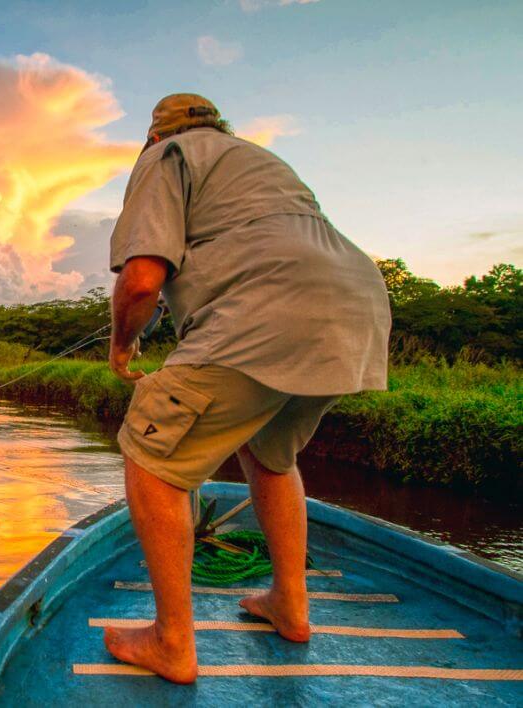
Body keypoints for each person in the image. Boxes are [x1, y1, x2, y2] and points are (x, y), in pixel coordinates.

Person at [103, 93, 391, 683]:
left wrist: (122, 344)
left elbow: (140, 281)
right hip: (356, 307)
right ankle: (290, 603)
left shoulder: (167, 155)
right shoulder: (259, 160)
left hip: (264, 311)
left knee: (151, 460)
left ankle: (171, 642)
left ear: (153, 137)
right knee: (269, 453)